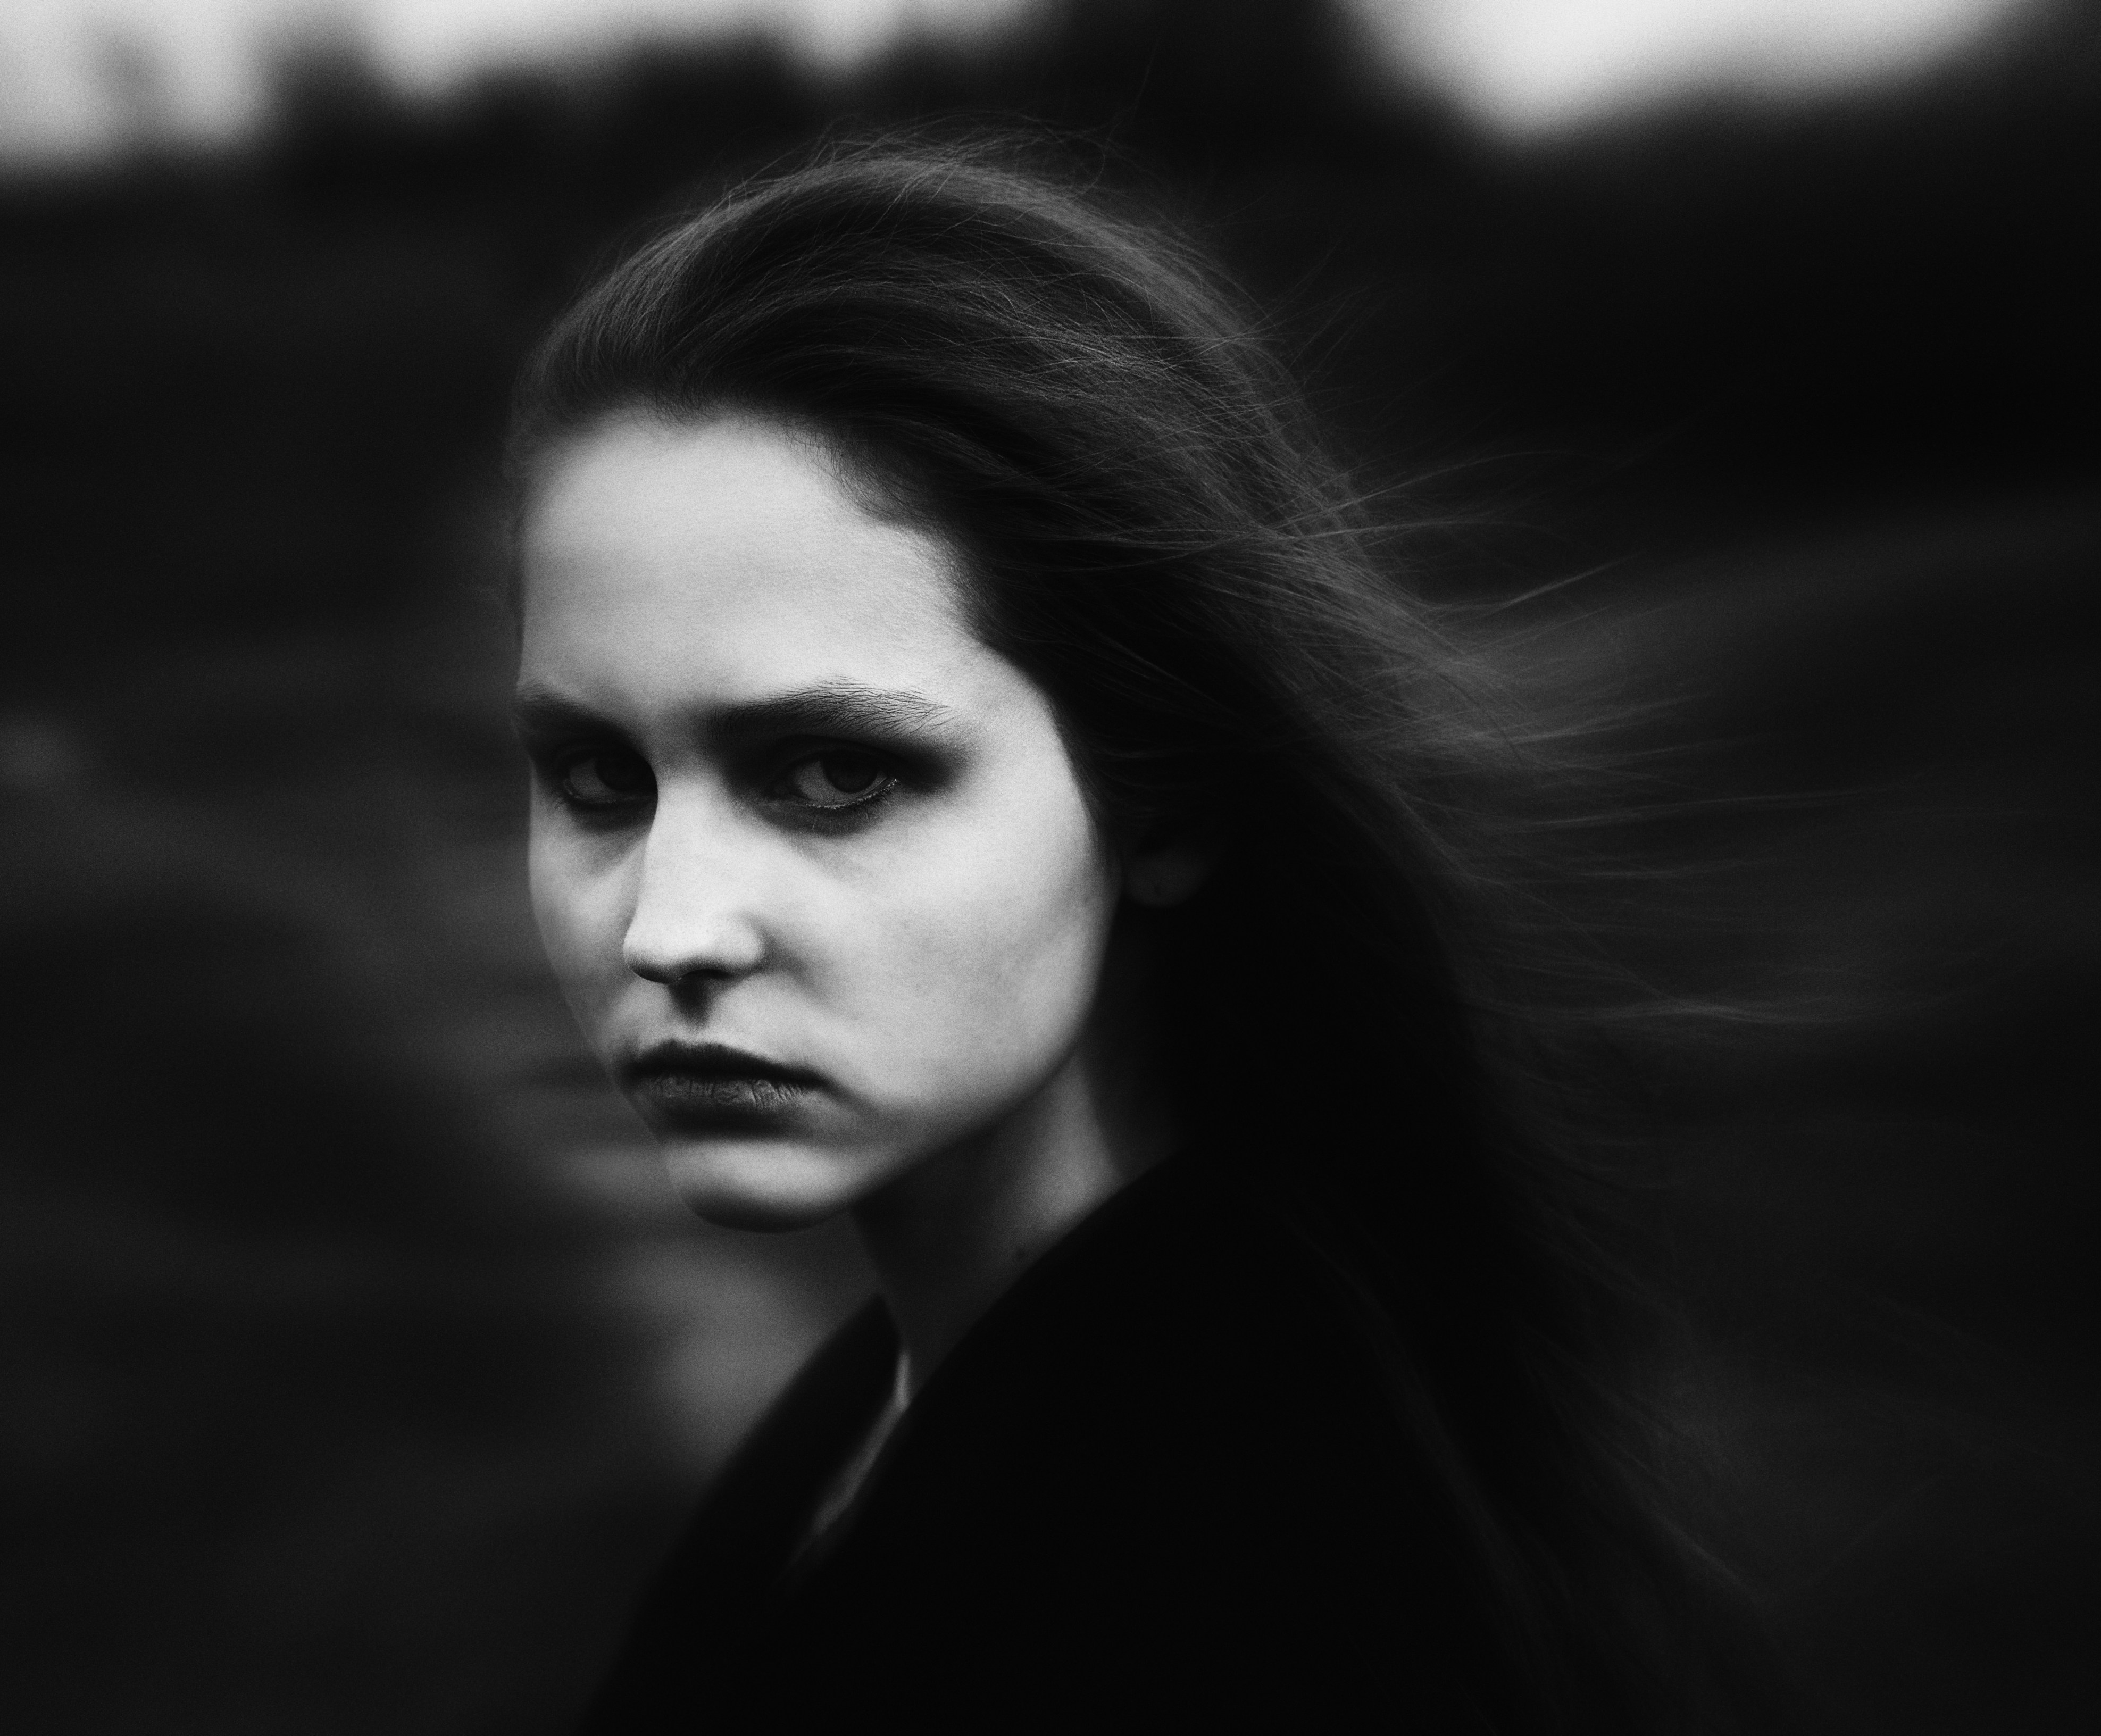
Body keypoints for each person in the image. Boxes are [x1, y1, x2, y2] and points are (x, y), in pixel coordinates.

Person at [506, 140, 1763, 1733]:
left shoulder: (1242, 1576)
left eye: (832, 775)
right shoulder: (929, 1388)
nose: (667, 927)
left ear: (1161, 803)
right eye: (597, 780)